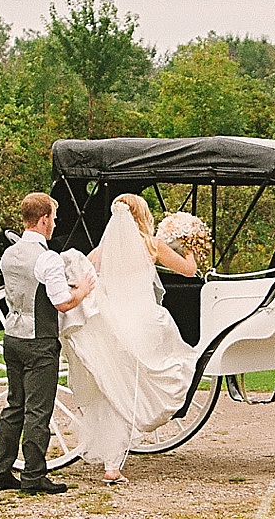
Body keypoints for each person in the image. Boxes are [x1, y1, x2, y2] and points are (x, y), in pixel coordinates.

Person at [61, 192, 202, 486]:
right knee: (162, 371)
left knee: (116, 387)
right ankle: (122, 451)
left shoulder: (103, 250)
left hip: (113, 323)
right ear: (142, 215)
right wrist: (191, 243)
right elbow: (189, 271)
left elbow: (82, 274)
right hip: (144, 322)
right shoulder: (151, 245)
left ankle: (112, 464)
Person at [0, 192, 95, 494]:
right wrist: (83, 290)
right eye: (54, 219)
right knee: (38, 411)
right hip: (39, 341)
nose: (54, 224)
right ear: (44, 218)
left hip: (12, 337)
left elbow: (29, 286)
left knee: (14, 406)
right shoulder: (47, 257)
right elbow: (61, 303)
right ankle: (34, 475)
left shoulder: (9, 254)